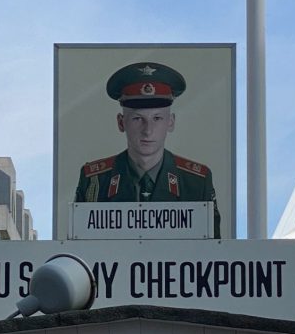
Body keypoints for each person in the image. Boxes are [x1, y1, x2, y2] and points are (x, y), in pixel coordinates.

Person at [73, 62, 221, 236]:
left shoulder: (196, 182)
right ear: (121, 123)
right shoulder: (94, 181)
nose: (148, 130)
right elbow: (80, 251)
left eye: (157, 118)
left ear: (171, 122)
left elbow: (212, 253)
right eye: (137, 119)